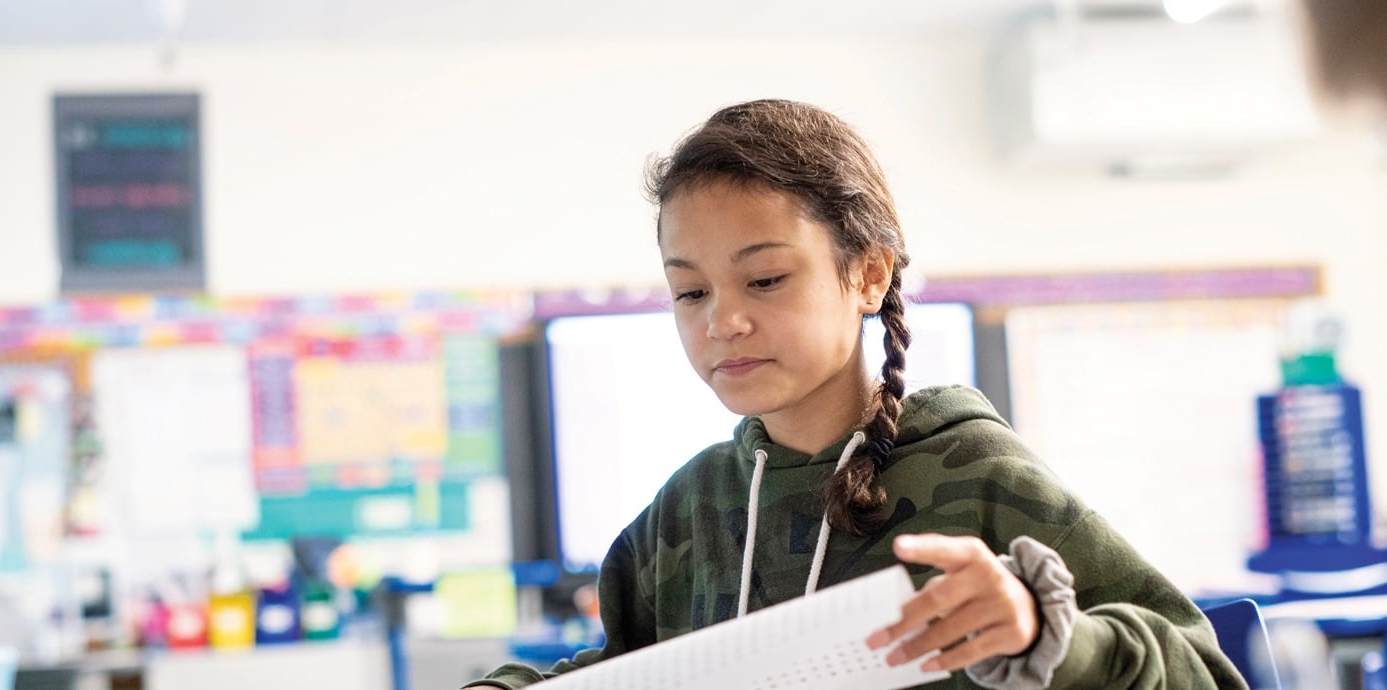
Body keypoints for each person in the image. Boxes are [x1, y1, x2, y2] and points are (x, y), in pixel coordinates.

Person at [464, 99, 1244, 689]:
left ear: (867, 274)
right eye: (690, 292)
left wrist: (1052, 638)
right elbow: (622, 671)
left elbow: (1202, 669)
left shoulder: (977, 473)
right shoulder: (686, 510)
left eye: (765, 279)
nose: (724, 321)